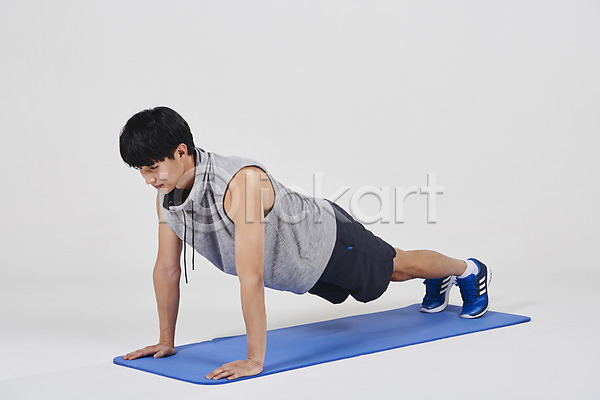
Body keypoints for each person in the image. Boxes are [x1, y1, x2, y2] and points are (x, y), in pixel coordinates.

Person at [118, 106, 491, 381]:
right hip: (301, 267)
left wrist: (254, 360)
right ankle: (441, 278)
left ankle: (467, 270)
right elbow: (166, 269)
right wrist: (165, 341)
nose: (148, 180)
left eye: (153, 168)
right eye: (141, 171)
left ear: (181, 151)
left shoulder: (239, 184)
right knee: (380, 276)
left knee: (396, 267)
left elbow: (251, 276)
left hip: (327, 238)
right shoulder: (167, 198)